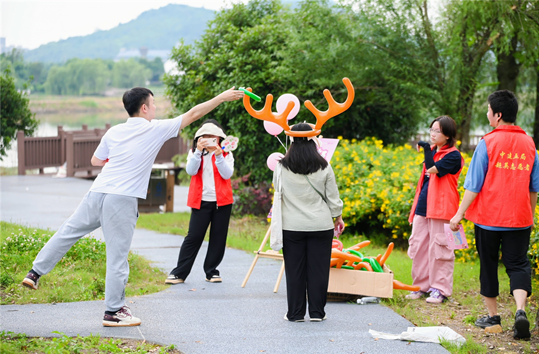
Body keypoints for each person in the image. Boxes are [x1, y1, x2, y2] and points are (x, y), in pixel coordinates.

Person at [21, 86, 244, 327]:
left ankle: (35, 273)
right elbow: (193, 114)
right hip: (121, 198)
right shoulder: (154, 129)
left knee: (68, 232)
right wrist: (222, 96)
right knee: (117, 256)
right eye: (154, 104)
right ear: (144, 107)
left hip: (97, 191)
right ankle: (113, 311)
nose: (156, 109)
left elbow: (95, 161)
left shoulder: (114, 131)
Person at [450, 90, 539, 340]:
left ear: (498, 115)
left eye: (489, 110)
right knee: (518, 264)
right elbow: (534, 187)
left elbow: (474, 185)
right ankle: (520, 311)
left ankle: (494, 318)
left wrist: (458, 214)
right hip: (520, 219)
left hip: (489, 219)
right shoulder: (529, 143)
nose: (487, 114)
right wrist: (529, 217)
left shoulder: (487, 142)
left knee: (489, 265)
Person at [274, 122, 344, 322]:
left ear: (292, 140)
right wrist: (338, 217)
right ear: (313, 140)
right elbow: (332, 197)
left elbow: (278, 191)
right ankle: (317, 313)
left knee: (295, 271)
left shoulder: (281, 166)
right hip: (320, 226)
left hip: (291, 226)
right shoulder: (324, 165)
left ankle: (295, 313)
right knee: (319, 270)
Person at [165, 119, 234, 285]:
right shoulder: (194, 153)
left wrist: (218, 156)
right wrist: (198, 152)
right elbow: (191, 170)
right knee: (194, 237)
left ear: (219, 138)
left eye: (213, 136)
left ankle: (211, 271)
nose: (209, 139)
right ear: (198, 139)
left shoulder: (226, 154)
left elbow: (227, 174)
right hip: (201, 201)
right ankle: (179, 273)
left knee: (218, 237)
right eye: (205, 136)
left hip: (222, 202)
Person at [406, 116, 464, 304]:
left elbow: (432, 169)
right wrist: (427, 148)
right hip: (423, 206)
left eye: (437, 131)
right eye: (431, 129)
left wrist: (424, 148)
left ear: (448, 135)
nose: (432, 134)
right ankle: (421, 287)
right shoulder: (432, 151)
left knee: (442, 249)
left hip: (443, 208)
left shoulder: (454, 155)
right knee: (419, 246)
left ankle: (440, 289)